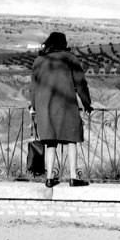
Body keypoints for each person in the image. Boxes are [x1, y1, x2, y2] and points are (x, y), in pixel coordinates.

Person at [29, 31, 92, 188]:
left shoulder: (39, 60)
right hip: (66, 104)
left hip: (45, 106)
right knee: (72, 139)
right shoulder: (70, 58)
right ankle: (73, 177)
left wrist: (34, 106)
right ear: (63, 43)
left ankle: (49, 178)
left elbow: (33, 87)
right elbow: (80, 83)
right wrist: (86, 103)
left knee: (50, 141)